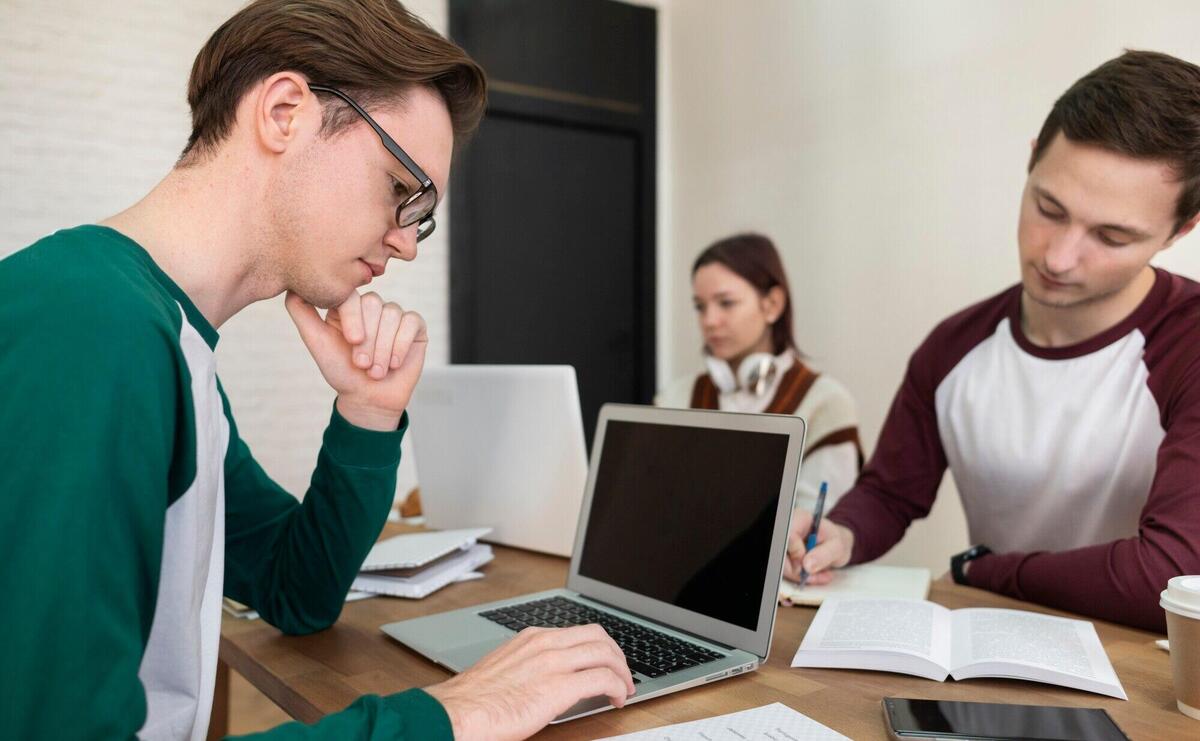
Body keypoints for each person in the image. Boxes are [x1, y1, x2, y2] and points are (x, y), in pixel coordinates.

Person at [0, 1, 633, 739]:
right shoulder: (89, 328)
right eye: (403, 189)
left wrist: (366, 410)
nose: (407, 245)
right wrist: (452, 715)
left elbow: (291, 586)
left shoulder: (163, 338)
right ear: (284, 112)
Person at [785, 50, 1200, 633]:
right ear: (1031, 161)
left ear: (1180, 229)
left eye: (1111, 236)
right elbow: (891, 493)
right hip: (997, 644)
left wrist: (987, 572)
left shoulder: (1190, 348)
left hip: (1146, 672)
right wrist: (842, 531)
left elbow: (1170, 576)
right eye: (1048, 208)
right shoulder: (954, 346)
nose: (1057, 257)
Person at [656, 233, 862, 511]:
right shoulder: (675, 398)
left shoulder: (825, 404)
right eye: (700, 306)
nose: (709, 320)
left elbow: (817, 526)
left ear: (772, 305)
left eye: (726, 303)